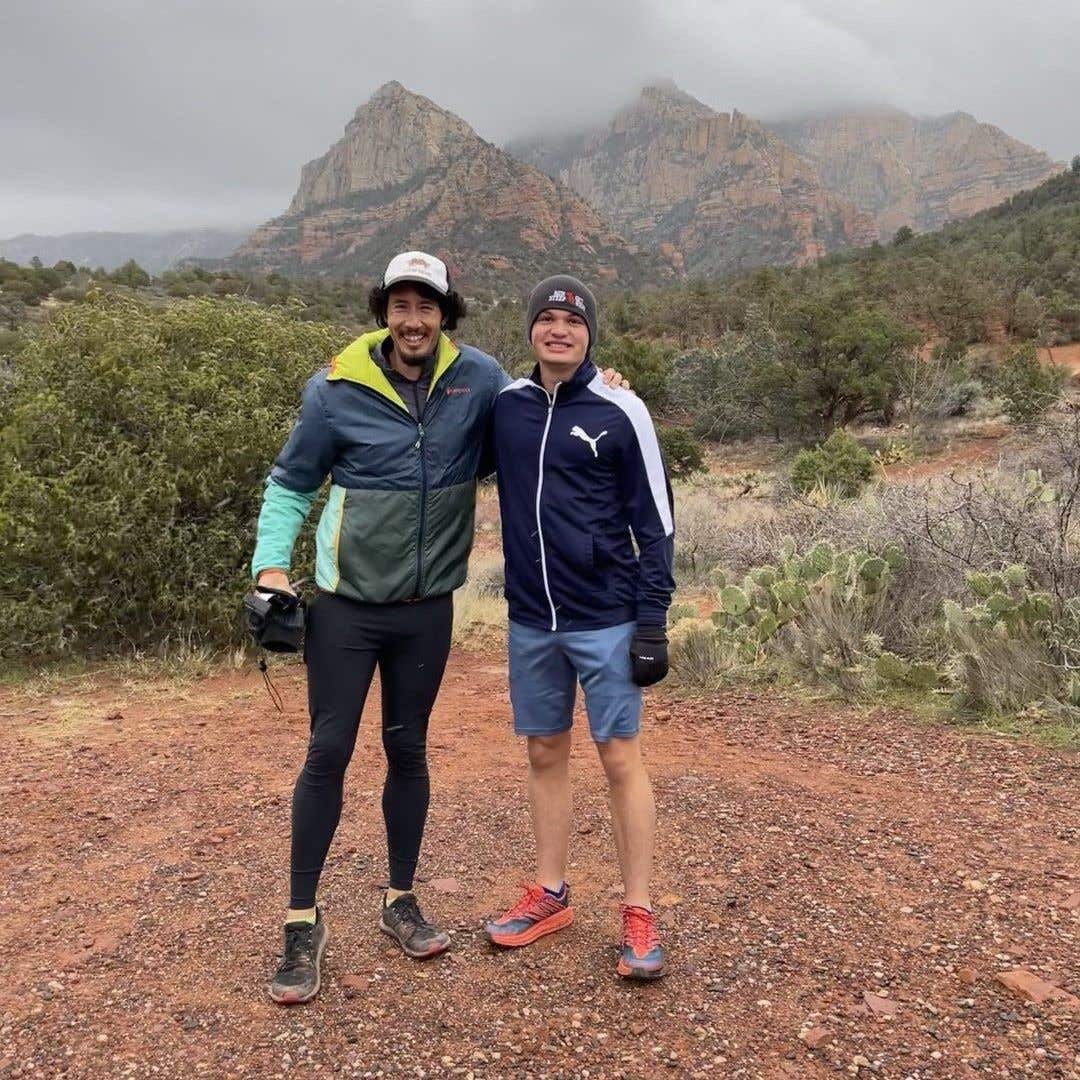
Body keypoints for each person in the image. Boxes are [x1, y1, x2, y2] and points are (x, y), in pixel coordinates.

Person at [251, 253, 628, 1005]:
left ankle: (399, 900)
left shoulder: (479, 379)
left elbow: (538, 413)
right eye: (400, 305)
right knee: (327, 751)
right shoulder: (334, 390)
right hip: (347, 605)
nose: (413, 319)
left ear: (445, 313)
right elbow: (291, 485)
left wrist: (601, 390)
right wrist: (268, 569)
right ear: (383, 311)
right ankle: (301, 921)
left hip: (428, 608)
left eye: (427, 305)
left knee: (408, 749)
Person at [483, 275, 675, 980]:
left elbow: (655, 522)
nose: (558, 329)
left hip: (608, 617)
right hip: (532, 618)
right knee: (542, 751)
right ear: (530, 330)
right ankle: (551, 893)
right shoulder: (506, 406)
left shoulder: (623, 408)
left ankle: (639, 909)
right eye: (546, 319)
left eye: (572, 320)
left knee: (619, 755)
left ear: (590, 333)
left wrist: (652, 622)